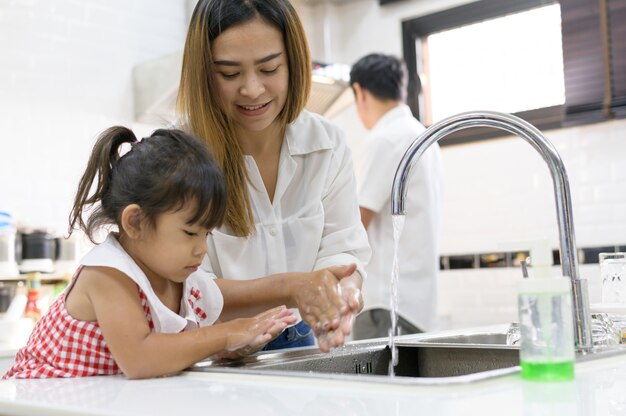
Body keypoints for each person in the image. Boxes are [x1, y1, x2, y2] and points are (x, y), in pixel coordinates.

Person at [2, 126, 354, 380]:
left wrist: (299, 286)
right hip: (43, 400)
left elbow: (228, 299)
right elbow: (140, 358)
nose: (202, 248)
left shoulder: (177, 276)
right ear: (136, 221)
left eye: (207, 233)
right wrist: (226, 335)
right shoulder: (108, 274)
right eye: (189, 232)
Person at [176, 0, 371, 351]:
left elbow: (343, 246)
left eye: (269, 69)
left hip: (301, 338)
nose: (252, 89)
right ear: (204, 74)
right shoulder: (181, 157)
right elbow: (186, 285)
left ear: (294, 63)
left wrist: (343, 292)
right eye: (229, 74)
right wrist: (291, 287)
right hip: (213, 346)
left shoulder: (326, 144)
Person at [349, 53, 443, 339]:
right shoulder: (422, 135)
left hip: (386, 304)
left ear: (359, 92)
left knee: (381, 384)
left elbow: (356, 223)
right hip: (418, 305)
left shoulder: (385, 139)